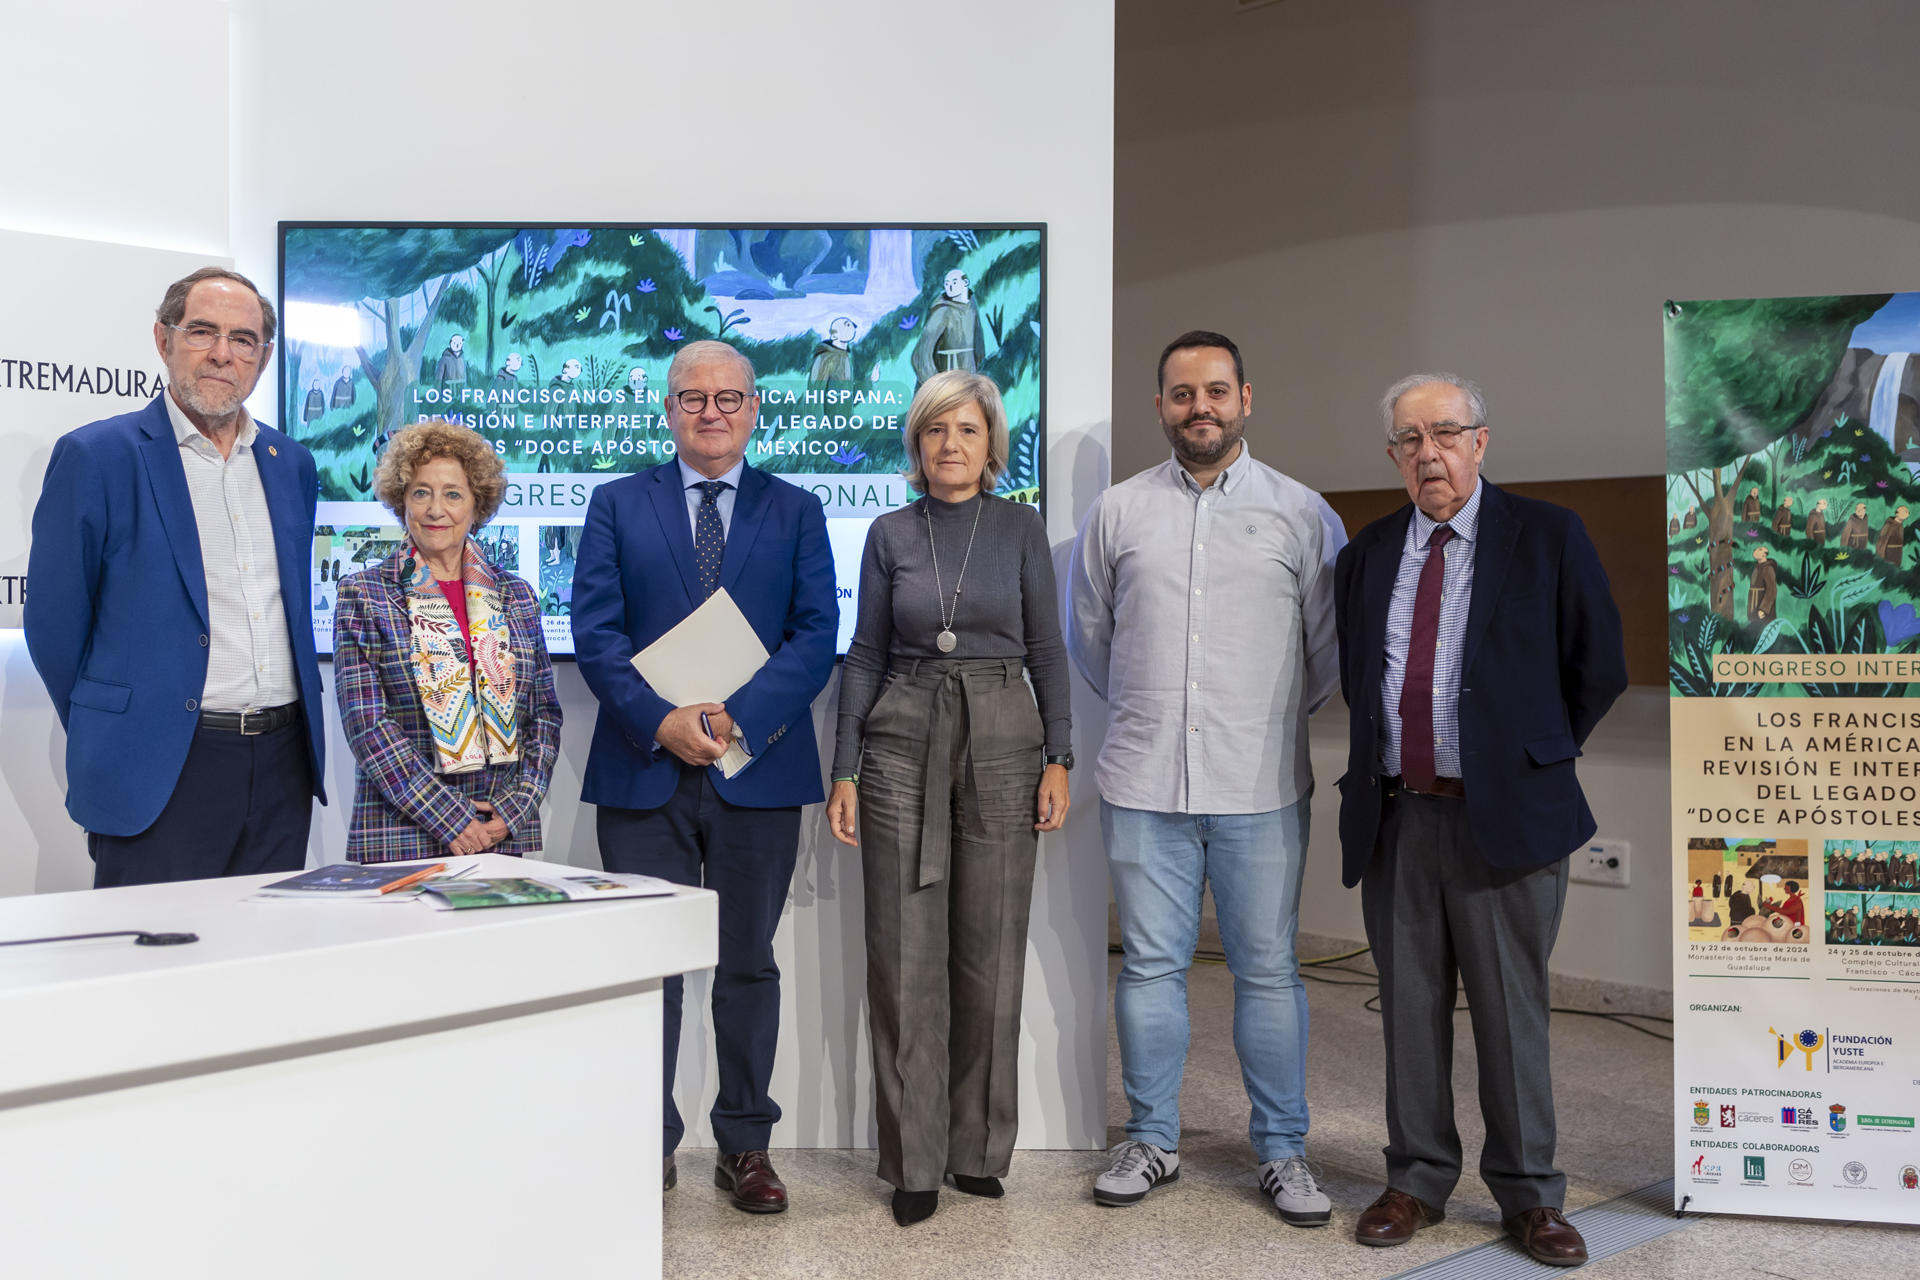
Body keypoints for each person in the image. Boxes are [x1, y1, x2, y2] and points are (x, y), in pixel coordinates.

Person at [1333, 372, 1626, 1266]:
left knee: (1510, 1014)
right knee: (1409, 1011)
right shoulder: (1368, 552)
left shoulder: (1545, 535)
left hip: (1507, 820)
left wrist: (1526, 758)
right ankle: (1416, 1179)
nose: (1429, 453)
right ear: (1394, 456)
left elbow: (1599, 664)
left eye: (1446, 433)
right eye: (1410, 440)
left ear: (1481, 442)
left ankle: (1530, 1197)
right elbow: (1359, 680)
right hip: (1397, 817)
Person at [1069, 330, 1345, 1226]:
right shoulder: (1117, 513)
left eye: (1216, 391)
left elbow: (1324, 655)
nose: (1201, 408)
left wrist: (1252, 727)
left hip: (1261, 786)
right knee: (1149, 966)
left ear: (1246, 399)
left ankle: (1283, 1151)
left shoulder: (1303, 514)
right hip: (1145, 779)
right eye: (1183, 393)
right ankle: (1151, 1138)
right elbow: (1093, 642)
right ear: (1160, 406)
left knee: (1269, 971)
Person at [573, 339, 837, 1213]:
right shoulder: (616, 504)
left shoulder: (797, 510)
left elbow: (813, 636)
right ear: (669, 409)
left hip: (756, 772)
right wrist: (661, 720)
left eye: (729, 398)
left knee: (747, 966)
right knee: (649, 966)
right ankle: (644, 1142)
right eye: (694, 398)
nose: (712, 412)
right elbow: (597, 632)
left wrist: (737, 718)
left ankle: (746, 1147)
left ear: (755, 409)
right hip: (644, 771)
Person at [825, 370, 1070, 1227]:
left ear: (991, 444)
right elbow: (863, 654)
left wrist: (1061, 756)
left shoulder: (1020, 527)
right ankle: (914, 1161)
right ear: (916, 445)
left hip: (1006, 737)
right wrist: (844, 769)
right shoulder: (891, 532)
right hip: (901, 738)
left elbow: (1047, 647)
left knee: (990, 955)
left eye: (966, 430)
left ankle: (977, 1149)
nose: (950, 446)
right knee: (904, 959)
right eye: (935, 432)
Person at [26, 267, 326, 887]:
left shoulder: (290, 463)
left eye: (243, 340)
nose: (222, 353)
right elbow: (54, 626)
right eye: (202, 332)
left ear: (264, 358)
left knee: (262, 965)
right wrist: (125, 724)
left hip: (280, 766)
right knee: (151, 969)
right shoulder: (99, 456)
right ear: (163, 341)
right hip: (159, 766)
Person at [332, 421, 561, 863]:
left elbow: (545, 715)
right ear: (402, 502)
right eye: (421, 493)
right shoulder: (364, 594)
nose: (436, 509)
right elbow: (368, 727)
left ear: (478, 505)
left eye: (453, 494)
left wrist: (513, 811)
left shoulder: (517, 595)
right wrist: (451, 818)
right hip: (402, 831)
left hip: (503, 831)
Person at [911, 268, 985, 384]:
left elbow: (979, 347)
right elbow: (920, 355)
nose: (950, 287)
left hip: (968, 379)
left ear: (965, 283)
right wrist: (936, 386)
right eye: (947, 284)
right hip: (945, 381)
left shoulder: (971, 306)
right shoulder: (942, 311)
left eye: (954, 282)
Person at [808, 317, 858, 389]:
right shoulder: (824, 358)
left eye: (851, 325)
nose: (852, 327)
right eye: (847, 325)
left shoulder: (847, 357)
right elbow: (815, 391)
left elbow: (849, 393)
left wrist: (870, 380)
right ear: (834, 335)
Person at [1748, 546, 1778, 622]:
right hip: (1754, 608)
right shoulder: (1757, 567)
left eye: (1760, 549)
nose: (1756, 550)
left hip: (1763, 612)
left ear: (1764, 555)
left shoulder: (1768, 569)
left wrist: (1763, 609)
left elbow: (1772, 590)